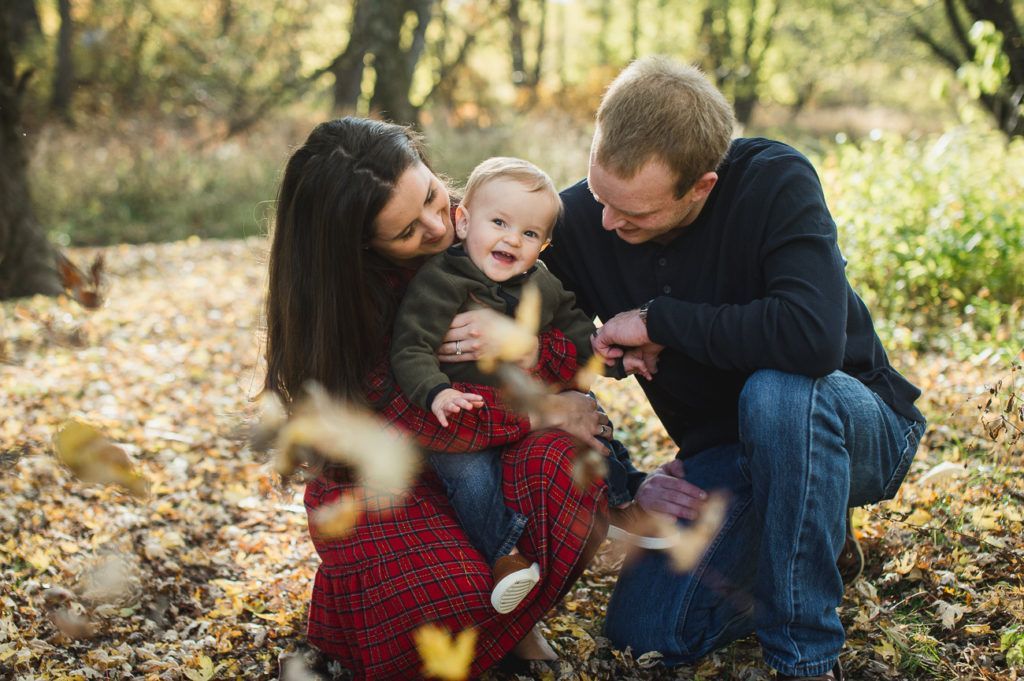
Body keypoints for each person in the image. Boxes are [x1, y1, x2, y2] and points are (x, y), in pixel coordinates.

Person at [541, 57, 927, 681]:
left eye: (634, 215)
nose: (608, 223)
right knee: (649, 633)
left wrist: (661, 321)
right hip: (727, 450)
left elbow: (812, 340)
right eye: (599, 195)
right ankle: (811, 539)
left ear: (702, 186)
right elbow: (531, 350)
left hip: (853, 424)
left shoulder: (774, 181)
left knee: (778, 394)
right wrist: (622, 476)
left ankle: (804, 656)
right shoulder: (586, 217)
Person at [263, 117, 612, 679]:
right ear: (362, 245)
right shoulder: (348, 306)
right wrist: (542, 408)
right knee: (449, 599)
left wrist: (524, 346)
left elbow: (567, 337)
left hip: (482, 447)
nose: (435, 226)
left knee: (562, 463)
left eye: (432, 195)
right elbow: (413, 418)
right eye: (405, 231)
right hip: (386, 484)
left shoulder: (486, 232)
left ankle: (515, 613)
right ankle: (501, 619)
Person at [391, 157, 659, 613]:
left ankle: (623, 495)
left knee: (587, 411)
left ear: (544, 244)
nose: (512, 239)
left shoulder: (543, 283)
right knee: (469, 476)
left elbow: (579, 335)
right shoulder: (441, 282)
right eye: (499, 222)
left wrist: (616, 357)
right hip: (466, 411)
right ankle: (506, 556)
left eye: (530, 234)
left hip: (527, 400)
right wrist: (436, 391)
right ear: (463, 221)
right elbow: (410, 347)